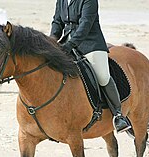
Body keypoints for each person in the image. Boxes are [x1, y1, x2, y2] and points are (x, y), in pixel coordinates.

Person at [50, 0, 131, 133]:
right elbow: (57, 22)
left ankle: (118, 115)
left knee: (103, 77)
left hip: (90, 43)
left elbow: (86, 24)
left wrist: (71, 44)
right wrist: (52, 40)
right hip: (66, 42)